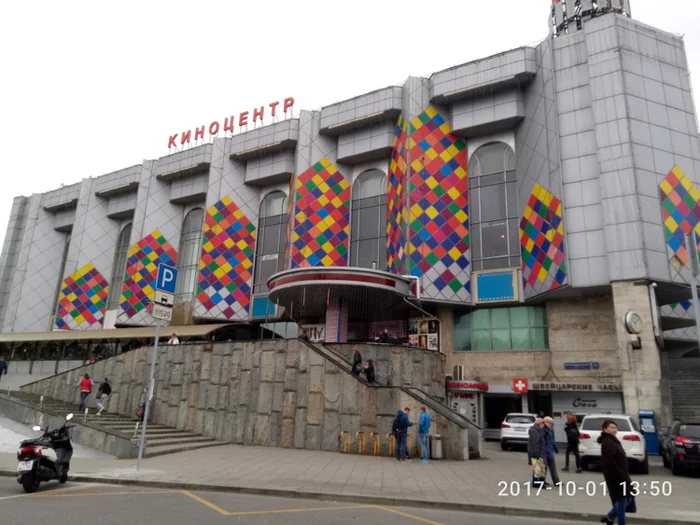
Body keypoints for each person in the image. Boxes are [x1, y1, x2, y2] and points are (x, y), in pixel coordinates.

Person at [599, 420, 634, 525]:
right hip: (616, 476)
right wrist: (620, 474)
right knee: (623, 499)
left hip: (621, 474)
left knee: (627, 498)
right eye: (611, 427)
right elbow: (609, 461)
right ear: (605, 429)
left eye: (615, 427)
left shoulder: (612, 440)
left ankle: (609, 517)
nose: (614, 429)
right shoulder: (608, 442)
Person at [527, 418, 548, 488]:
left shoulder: (536, 431)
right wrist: (537, 454)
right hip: (538, 453)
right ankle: (540, 483)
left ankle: (535, 482)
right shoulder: (536, 432)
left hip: (537, 452)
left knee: (537, 468)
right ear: (539, 424)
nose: (543, 425)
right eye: (543, 424)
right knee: (540, 468)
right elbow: (535, 444)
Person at [543, 416, 560, 486]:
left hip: (549, 451)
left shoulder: (550, 430)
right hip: (546, 451)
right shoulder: (545, 431)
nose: (552, 424)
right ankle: (555, 481)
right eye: (551, 423)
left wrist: (556, 449)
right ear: (546, 422)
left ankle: (556, 481)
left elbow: (552, 441)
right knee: (546, 467)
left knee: (550, 467)